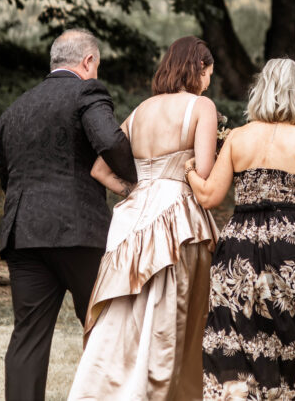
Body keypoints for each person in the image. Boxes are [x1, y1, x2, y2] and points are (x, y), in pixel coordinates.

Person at [186, 58, 295, 399]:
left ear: (260, 92)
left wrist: (188, 171)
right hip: (293, 247)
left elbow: (210, 196)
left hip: (240, 248)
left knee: (240, 330)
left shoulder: (237, 139)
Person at [69, 36, 220, 400]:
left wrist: (135, 191)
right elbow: (205, 173)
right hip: (177, 218)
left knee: (125, 316)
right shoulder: (201, 107)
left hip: (131, 218)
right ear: (198, 67)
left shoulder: (140, 111)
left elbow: (100, 171)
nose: (210, 81)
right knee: (171, 315)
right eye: (210, 73)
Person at [0, 28, 138, 401]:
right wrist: (136, 182)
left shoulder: (16, 108)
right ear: (88, 61)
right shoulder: (87, 92)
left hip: (23, 234)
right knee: (104, 327)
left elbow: (6, 177)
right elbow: (109, 141)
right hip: (78, 231)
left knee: (28, 337)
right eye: (97, 65)